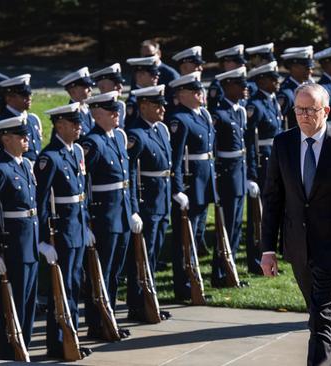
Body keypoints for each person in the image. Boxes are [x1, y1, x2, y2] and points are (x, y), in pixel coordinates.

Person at [260, 83, 331, 366]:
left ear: (326, 111)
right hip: (298, 248)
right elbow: (273, 200)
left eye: (311, 109)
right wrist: (267, 250)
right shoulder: (283, 144)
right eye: (299, 109)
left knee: (320, 316)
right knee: (322, 316)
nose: (304, 115)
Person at [81, 91, 142, 341]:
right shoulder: (92, 143)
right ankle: (97, 323)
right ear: (96, 114)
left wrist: (134, 209)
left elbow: (128, 179)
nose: (117, 114)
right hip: (104, 216)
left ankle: (110, 317)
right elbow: (83, 185)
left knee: (115, 271)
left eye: (116, 110)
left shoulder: (118, 136)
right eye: (110, 111)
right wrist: (86, 222)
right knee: (100, 272)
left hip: (122, 213)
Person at [37, 103, 93, 359]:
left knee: (74, 285)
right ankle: (58, 342)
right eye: (73, 123)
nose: (79, 127)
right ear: (59, 126)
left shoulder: (75, 151)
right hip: (61, 232)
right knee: (62, 288)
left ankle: (71, 336)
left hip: (77, 228)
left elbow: (82, 194)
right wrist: (42, 240)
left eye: (79, 122)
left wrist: (87, 225)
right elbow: (41, 202)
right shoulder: (50, 157)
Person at [167, 72, 217, 300]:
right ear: (182, 95)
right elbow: (175, 159)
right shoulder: (179, 119)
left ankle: (194, 279)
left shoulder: (202, 115)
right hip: (190, 185)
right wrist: (177, 189)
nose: (200, 94)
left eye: (201, 90)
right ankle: (183, 284)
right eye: (195, 91)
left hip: (204, 183)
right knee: (183, 238)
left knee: (196, 235)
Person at [124, 85, 172, 322]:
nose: (163, 109)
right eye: (157, 105)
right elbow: (131, 175)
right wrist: (133, 208)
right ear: (143, 107)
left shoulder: (160, 130)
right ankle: (138, 304)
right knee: (142, 256)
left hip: (162, 200)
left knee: (153, 255)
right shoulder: (136, 135)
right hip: (147, 204)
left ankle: (149, 300)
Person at [0, 116, 39, 360]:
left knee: (28, 303)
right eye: (20, 135)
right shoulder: (2, 169)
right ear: (5, 138)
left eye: (26, 135)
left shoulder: (24, 164)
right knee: (11, 305)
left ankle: (23, 349)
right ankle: (8, 353)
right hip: (13, 245)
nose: (27, 139)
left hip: (30, 243)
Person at [244, 61, 283, 274]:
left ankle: (269, 258)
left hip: (274, 163)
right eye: (272, 77)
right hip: (262, 166)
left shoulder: (272, 101)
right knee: (258, 217)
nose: (277, 81)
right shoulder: (255, 106)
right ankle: (256, 261)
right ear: (261, 80)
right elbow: (250, 143)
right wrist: (251, 173)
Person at [211, 67, 249, 286]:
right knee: (225, 226)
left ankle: (230, 269)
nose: (245, 88)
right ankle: (220, 272)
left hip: (239, 174)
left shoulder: (238, 111)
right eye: (240, 84)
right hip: (227, 177)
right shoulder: (220, 114)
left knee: (235, 227)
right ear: (228, 86)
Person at [0, 74, 43, 161]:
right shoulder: (2, 123)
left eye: (29, 94)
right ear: (8, 98)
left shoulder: (33, 119)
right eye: (24, 95)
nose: (29, 98)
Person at [278, 46, 315, 130]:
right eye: (307, 68)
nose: (310, 71)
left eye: (310, 68)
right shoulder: (286, 92)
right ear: (294, 67)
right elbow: (281, 123)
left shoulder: (310, 86)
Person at [138, 40, 180, 106]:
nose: (147, 59)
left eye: (150, 56)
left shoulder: (171, 75)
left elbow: (174, 101)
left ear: (159, 54)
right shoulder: (139, 73)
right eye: (143, 56)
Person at [207, 44, 247, 112]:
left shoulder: (243, 80)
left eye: (241, 62)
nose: (241, 65)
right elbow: (214, 109)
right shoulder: (218, 84)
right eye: (237, 62)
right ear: (225, 63)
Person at [57, 67, 95, 137]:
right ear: (73, 91)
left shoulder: (90, 108)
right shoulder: (70, 115)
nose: (91, 89)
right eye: (86, 87)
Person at [125, 56, 160, 128]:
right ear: (139, 76)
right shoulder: (133, 101)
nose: (157, 77)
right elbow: (131, 126)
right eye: (153, 74)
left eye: (157, 74)